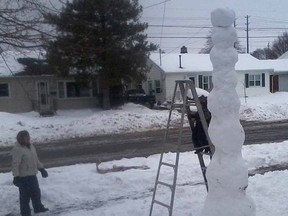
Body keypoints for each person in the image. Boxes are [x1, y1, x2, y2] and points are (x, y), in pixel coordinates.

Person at [11, 130, 49, 216]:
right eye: (26, 137)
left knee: (36, 193)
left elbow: (35, 160)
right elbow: (15, 165)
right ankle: (25, 213)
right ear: (21, 138)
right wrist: (16, 177)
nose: (28, 138)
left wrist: (42, 169)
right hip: (23, 178)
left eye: (28, 136)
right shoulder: (17, 149)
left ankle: (38, 207)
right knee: (25, 197)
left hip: (32, 175)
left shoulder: (31, 146)